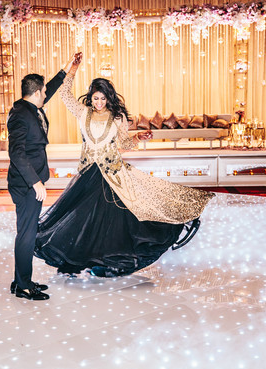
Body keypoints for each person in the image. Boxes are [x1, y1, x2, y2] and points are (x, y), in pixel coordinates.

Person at [34, 53, 215, 278]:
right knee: (84, 219)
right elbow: (64, 93)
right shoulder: (82, 112)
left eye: (103, 99)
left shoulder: (117, 117)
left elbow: (123, 144)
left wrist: (138, 138)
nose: (99, 103)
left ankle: (109, 260)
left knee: (118, 220)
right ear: (90, 98)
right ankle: (82, 259)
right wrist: (72, 69)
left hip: (113, 173)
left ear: (109, 98)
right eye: (95, 98)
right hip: (88, 173)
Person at [7, 54, 80, 300]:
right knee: (27, 234)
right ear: (36, 92)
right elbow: (16, 153)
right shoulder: (20, 115)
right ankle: (23, 286)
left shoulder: (30, 106)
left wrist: (67, 69)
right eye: (43, 92)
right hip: (26, 184)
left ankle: (21, 280)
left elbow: (51, 89)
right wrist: (35, 181)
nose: (45, 94)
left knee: (27, 232)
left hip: (30, 181)